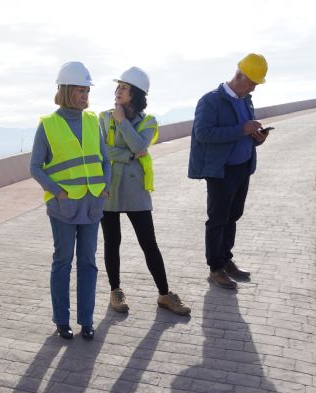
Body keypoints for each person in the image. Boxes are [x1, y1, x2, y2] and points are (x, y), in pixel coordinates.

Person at [99, 67, 191, 316]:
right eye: (118, 86)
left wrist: (122, 122)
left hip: (135, 190)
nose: (118, 91)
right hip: (108, 189)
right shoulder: (102, 117)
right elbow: (102, 152)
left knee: (149, 243)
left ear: (136, 94)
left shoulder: (148, 121)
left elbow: (140, 146)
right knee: (112, 242)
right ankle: (115, 291)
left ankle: (164, 293)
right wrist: (127, 154)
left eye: (124, 87)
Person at [30, 61, 111, 340]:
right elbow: (35, 167)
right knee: (63, 261)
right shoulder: (48, 125)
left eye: (87, 91)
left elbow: (104, 159)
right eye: (80, 90)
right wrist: (58, 191)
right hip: (63, 207)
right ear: (65, 91)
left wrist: (105, 186)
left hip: (92, 206)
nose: (85, 96)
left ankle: (86, 320)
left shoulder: (93, 120)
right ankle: (61, 320)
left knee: (88, 262)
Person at [188, 53, 269, 289]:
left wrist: (258, 138)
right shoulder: (211, 101)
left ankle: (226, 260)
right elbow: (203, 134)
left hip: (243, 168)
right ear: (240, 75)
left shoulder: (246, 99)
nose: (254, 87)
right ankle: (215, 268)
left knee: (233, 216)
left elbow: (245, 132)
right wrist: (240, 130)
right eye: (253, 81)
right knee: (218, 219)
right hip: (222, 171)